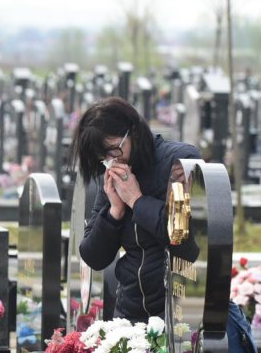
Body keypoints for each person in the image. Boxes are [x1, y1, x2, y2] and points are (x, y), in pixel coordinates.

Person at [75, 96, 201, 322]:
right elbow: (93, 256)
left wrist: (136, 200)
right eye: (103, 156)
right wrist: (114, 212)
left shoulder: (180, 161)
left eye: (114, 150)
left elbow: (180, 237)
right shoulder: (113, 172)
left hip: (176, 309)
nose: (111, 161)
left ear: (133, 132)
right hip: (129, 309)